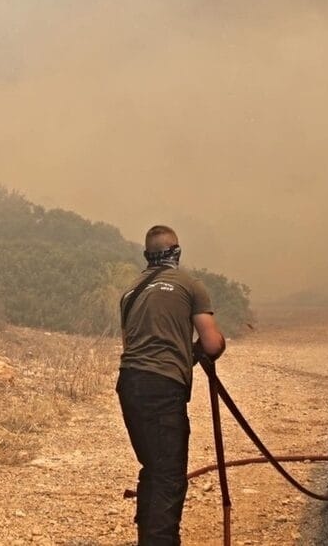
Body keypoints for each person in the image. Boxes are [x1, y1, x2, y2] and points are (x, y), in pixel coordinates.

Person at [117, 225, 226, 546]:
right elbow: (211, 344)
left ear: (146, 255)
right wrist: (202, 350)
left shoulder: (130, 293)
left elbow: (130, 346)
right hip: (163, 387)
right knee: (168, 476)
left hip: (129, 383)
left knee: (152, 467)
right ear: (176, 253)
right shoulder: (190, 285)